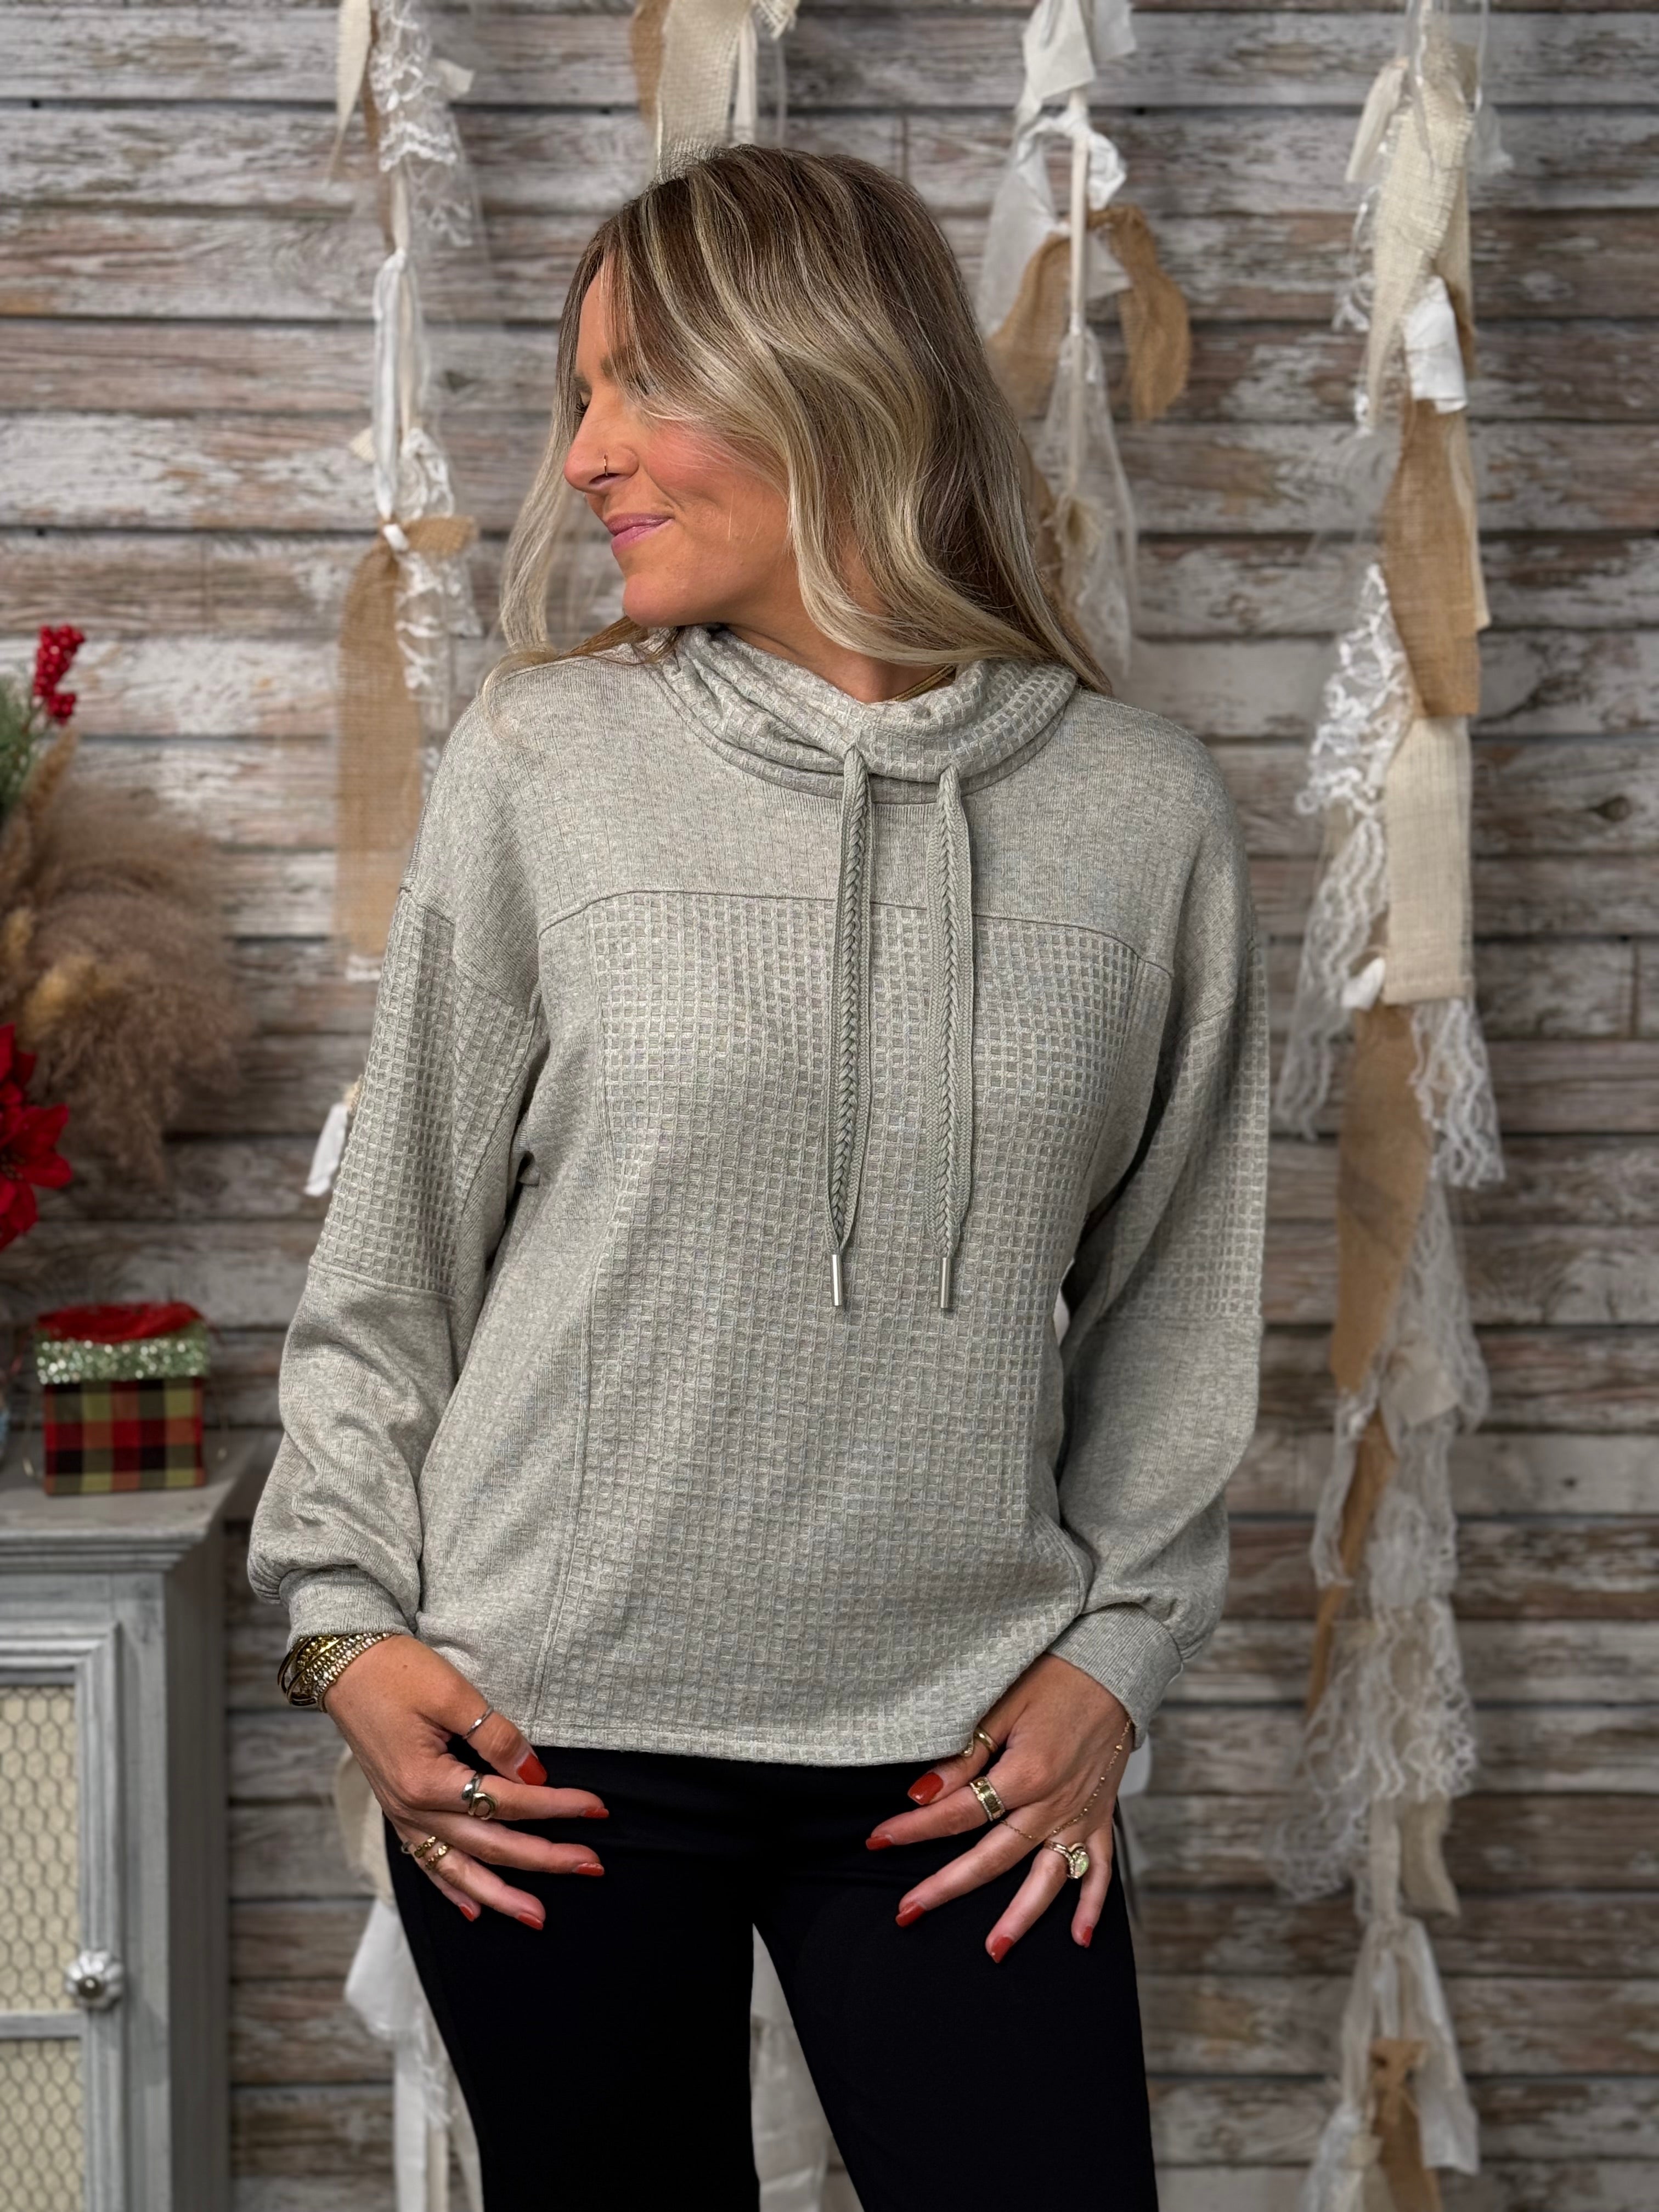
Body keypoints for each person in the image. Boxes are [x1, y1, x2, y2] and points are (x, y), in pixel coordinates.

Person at [249, 142, 1269, 2208]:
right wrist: (343, 1633)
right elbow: (396, 1258)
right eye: (581, 396)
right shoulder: (544, 763)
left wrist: (1118, 1657)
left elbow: (1180, 1298)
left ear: (825, 376)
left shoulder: (1140, 816)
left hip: (962, 1751)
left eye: (642, 383)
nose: (588, 455)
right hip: (546, 1739)